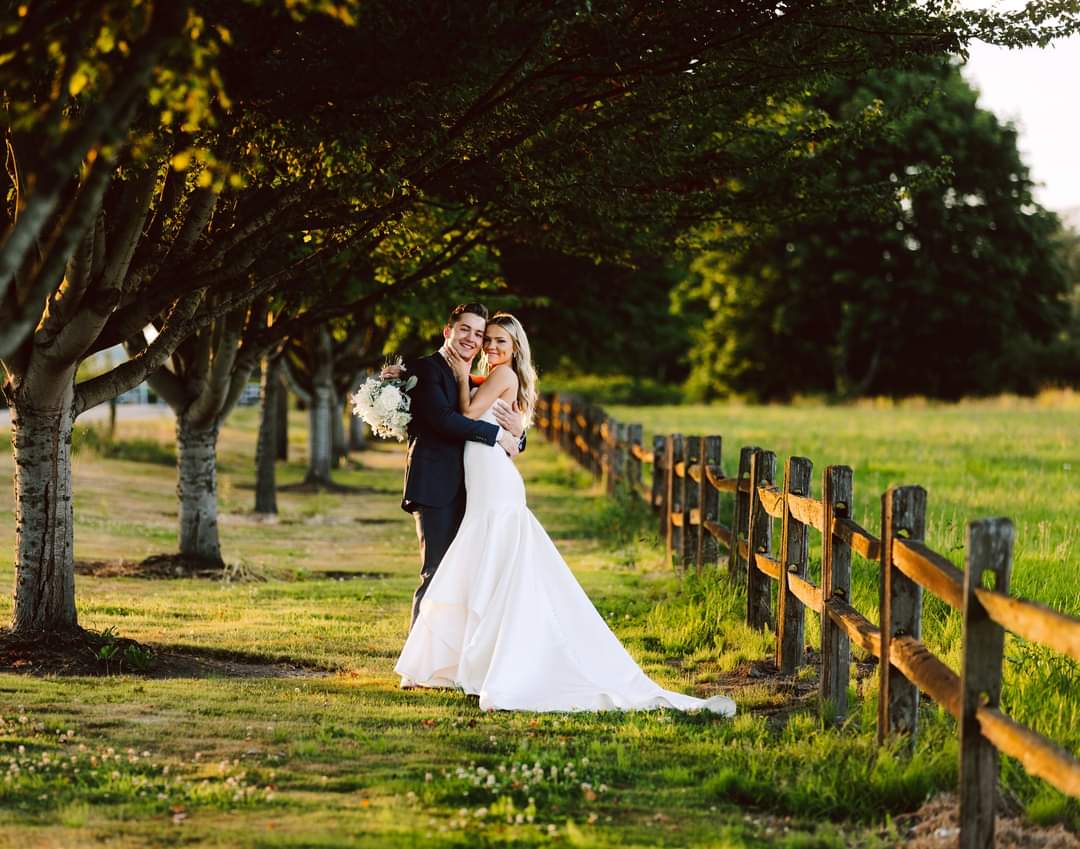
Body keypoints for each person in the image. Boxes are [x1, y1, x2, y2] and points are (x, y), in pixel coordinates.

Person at [394, 312, 735, 715]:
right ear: (450, 332)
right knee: (469, 568)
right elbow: (467, 419)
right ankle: (458, 664)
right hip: (470, 481)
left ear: (515, 348)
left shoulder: (499, 376)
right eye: (488, 340)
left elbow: (468, 416)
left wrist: (505, 424)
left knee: (492, 567)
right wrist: (508, 426)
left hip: (492, 482)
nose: (490, 347)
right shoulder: (466, 373)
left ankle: (481, 665)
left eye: (499, 341)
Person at [397, 303, 524, 628]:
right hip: (437, 486)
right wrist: (496, 434)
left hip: (478, 487)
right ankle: (418, 662)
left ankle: (455, 659)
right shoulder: (426, 369)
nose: (473, 338)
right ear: (448, 331)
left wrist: (518, 434)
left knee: (469, 575)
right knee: (437, 571)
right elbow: (443, 420)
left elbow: (499, 411)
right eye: (465, 329)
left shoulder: (476, 376)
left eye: (479, 333)